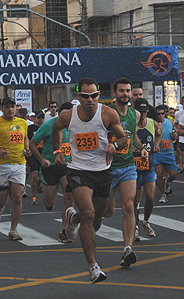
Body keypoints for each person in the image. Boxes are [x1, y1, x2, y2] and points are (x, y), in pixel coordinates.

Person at [52, 77, 127, 283]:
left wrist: (116, 146)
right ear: (79, 97)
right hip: (78, 170)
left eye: (94, 95)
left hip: (102, 171)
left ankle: (72, 219)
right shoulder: (68, 115)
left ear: (98, 95)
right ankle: (93, 267)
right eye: (86, 96)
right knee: (88, 212)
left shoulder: (108, 114)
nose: (91, 99)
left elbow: (123, 139)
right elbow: (56, 128)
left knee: (96, 218)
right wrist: (58, 150)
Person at [103, 77, 148, 267]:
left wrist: (141, 148)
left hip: (128, 165)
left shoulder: (135, 114)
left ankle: (127, 249)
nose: (125, 94)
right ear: (114, 93)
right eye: (122, 91)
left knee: (130, 205)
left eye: (128, 91)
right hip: (108, 167)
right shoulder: (106, 113)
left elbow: (134, 135)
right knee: (108, 211)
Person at [30, 102, 75, 243]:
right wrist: (42, 159)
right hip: (49, 166)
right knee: (49, 203)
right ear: (60, 114)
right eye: (66, 114)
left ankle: (64, 231)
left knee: (69, 196)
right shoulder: (48, 126)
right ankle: (48, 199)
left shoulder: (75, 126)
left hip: (67, 166)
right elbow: (32, 143)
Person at [0, 97, 32, 241]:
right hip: (2, 165)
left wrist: (27, 148)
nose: (10, 109)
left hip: (19, 163)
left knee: (18, 197)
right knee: (2, 200)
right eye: (7, 107)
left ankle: (13, 230)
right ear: (2, 109)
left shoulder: (22, 122)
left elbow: (25, 138)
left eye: (12, 106)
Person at [133, 98, 162, 238]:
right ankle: (135, 225)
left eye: (145, 111)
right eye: (140, 111)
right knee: (135, 200)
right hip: (133, 168)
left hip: (149, 166)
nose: (143, 114)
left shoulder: (152, 123)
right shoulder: (132, 124)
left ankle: (146, 222)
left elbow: (159, 134)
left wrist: (157, 144)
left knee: (150, 197)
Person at [154, 104, 178, 203]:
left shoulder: (170, 122)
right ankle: (163, 195)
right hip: (158, 153)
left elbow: (175, 133)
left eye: (162, 114)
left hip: (169, 153)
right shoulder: (154, 124)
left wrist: (175, 135)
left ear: (165, 114)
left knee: (173, 174)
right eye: (158, 114)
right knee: (159, 174)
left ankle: (167, 182)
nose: (160, 116)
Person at [27, 110, 44, 204]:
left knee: (42, 176)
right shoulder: (30, 128)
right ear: (34, 118)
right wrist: (27, 149)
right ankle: (34, 196)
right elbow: (27, 140)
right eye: (38, 117)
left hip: (43, 154)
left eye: (42, 118)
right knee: (34, 175)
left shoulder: (45, 128)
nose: (40, 119)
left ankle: (39, 184)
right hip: (33, 154)